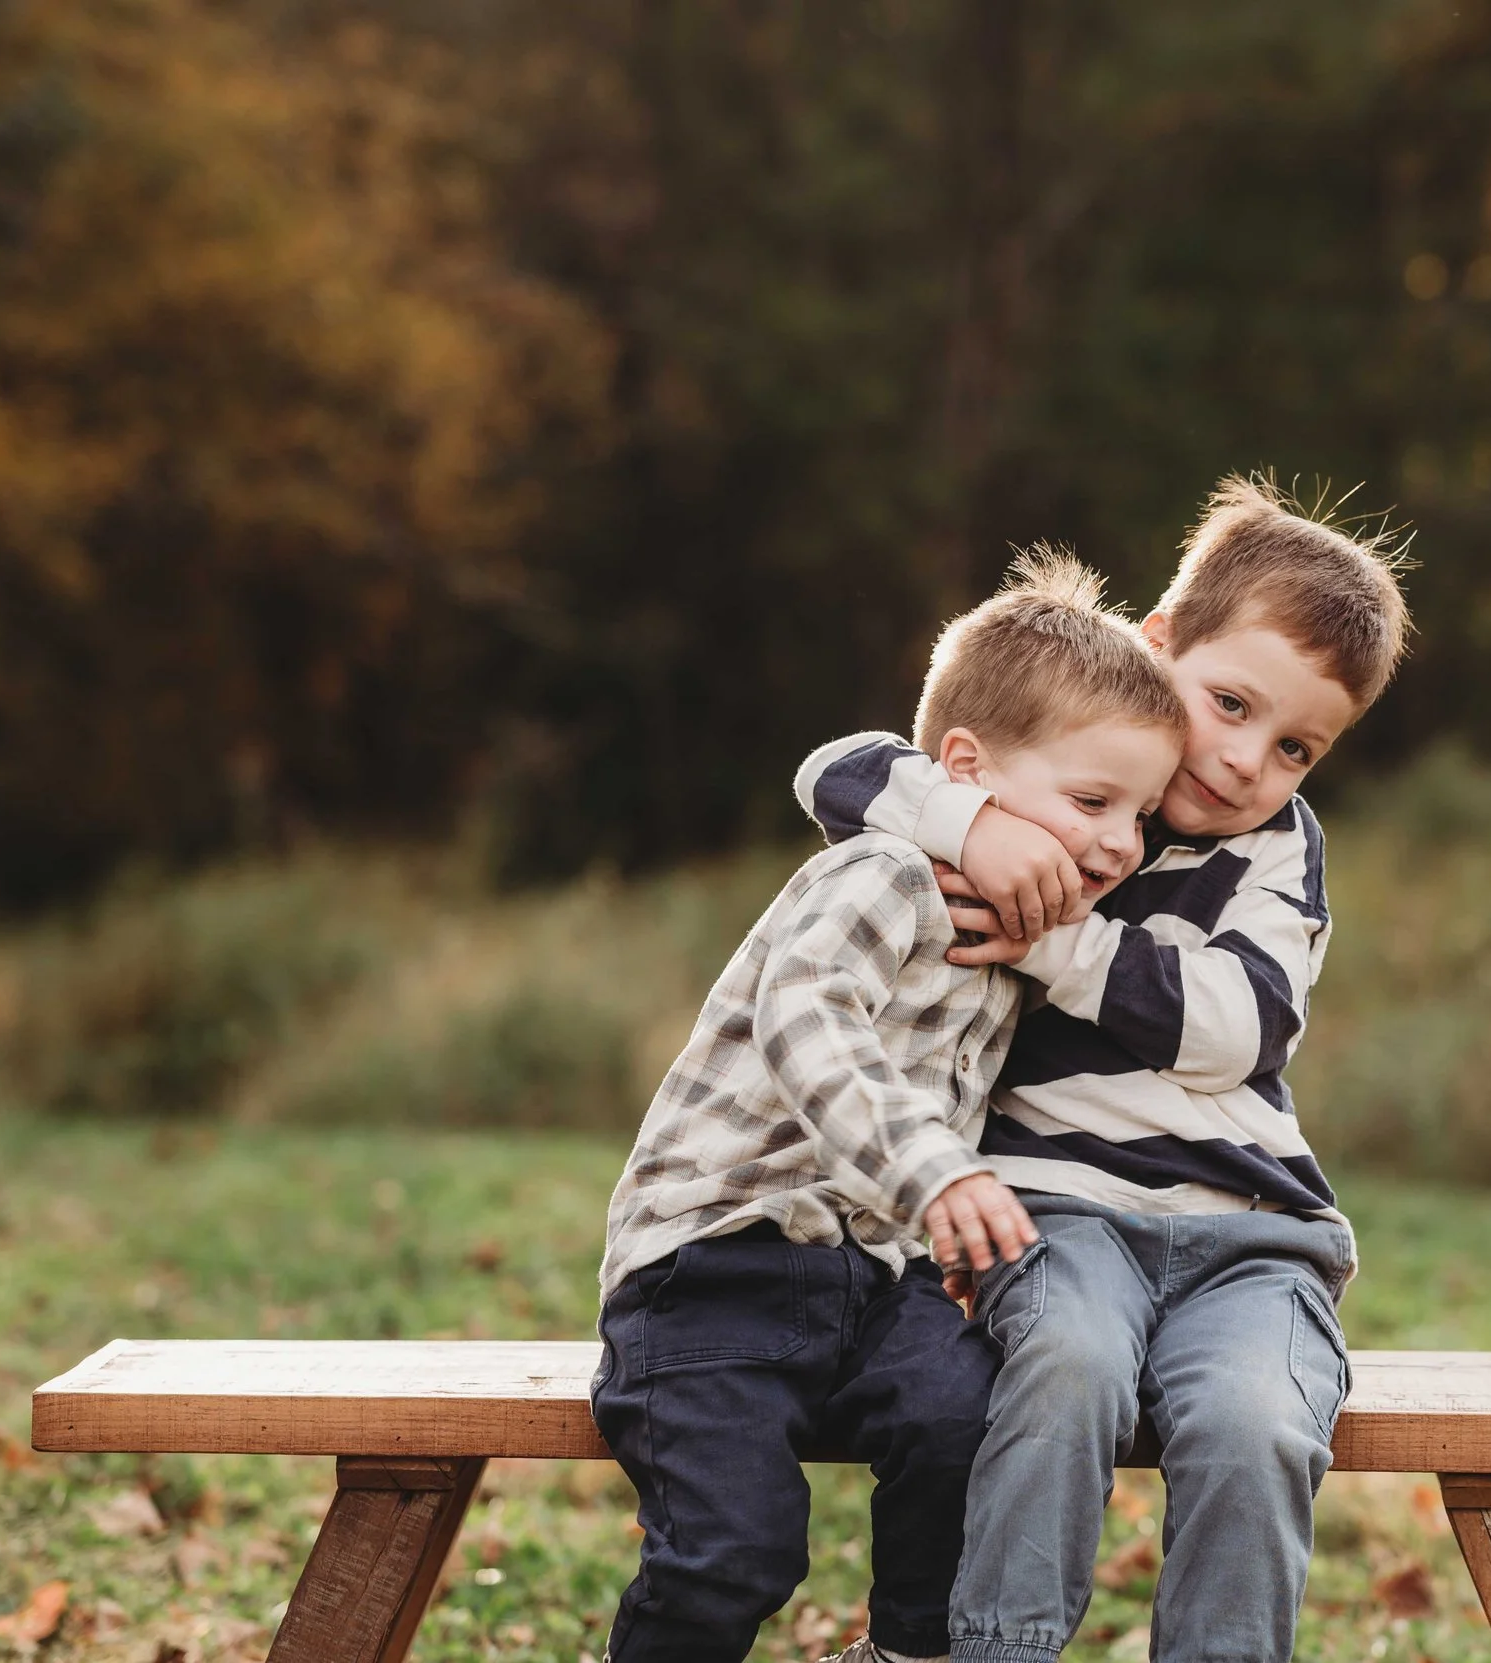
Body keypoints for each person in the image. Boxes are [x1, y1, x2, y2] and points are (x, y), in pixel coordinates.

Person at [794, 476, 1412, 1663]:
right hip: (1058, 1213)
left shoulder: (1278, 853)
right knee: (1064, 1369)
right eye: (1227, 703)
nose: (1243, 761)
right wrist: (974, 826)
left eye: (1295, 746)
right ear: (1156, 643)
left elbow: (1238, 1024)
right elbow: (838, 771)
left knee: (1253, 1425)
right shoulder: (1055, 772)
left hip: (1254, 1238)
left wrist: (1053, 938)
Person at [593, 552, 1187, 1663]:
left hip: (873, 1280)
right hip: (715, 1266)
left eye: (1142, 812)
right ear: (962, 772)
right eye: (1094, 799)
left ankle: (905, 1651)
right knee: (735, 1550)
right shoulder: (882, 877)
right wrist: (940, 1176)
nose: (1120, 841)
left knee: (965, 1421)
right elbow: (809, 1021)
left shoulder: (1025, 937)